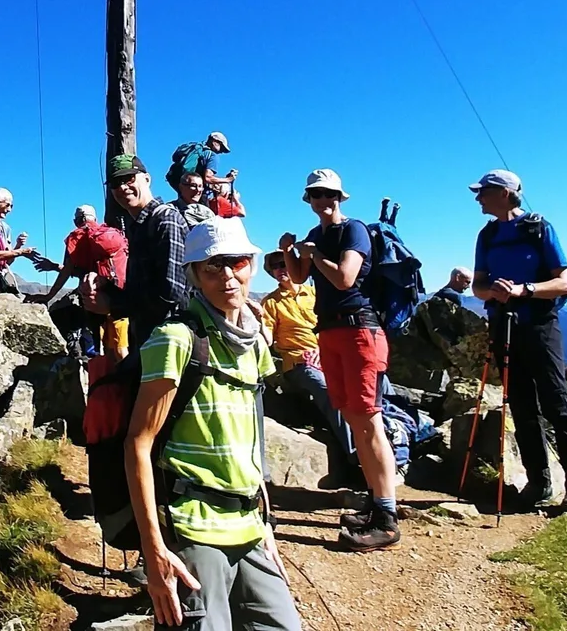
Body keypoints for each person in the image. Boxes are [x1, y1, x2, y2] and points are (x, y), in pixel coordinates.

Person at [126, 216, 300, 631]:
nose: (227, 275)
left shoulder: (255, 341)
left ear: (251, 265)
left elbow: (251, 440)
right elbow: (138, 443)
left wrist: (266, 524)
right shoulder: (176, 338)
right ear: (194, 275)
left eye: (236, 262)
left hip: (248, 524)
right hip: (192, 524)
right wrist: (154, 555)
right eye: (212, 266)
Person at [279, 169, 400, 550]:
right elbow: (300, 278)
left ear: (339, 197)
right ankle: (376, 503)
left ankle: (387, 515)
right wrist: (290, 253)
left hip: (359, 330)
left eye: (328, 194)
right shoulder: (316, 235)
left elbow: (345, 278)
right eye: (316, 195)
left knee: (368, 420)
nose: (322, 200)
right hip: (330, 331)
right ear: (309, 199)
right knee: (354, 417)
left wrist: (315, 256)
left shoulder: (355, 231)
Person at [469, 169, 567, 512]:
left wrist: (524, 290)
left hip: (539, 325)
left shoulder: (538, 228)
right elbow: (477, 286)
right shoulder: (487, 235)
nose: (478, 197)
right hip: (504, 326)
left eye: (484, 192)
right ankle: (538, 482)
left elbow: (564, 283)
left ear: (505, 193)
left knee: (557, 403)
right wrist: (491, 291)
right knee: (521, 406)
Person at [254, 250, 355, 482]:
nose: (280, 269)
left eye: (284, 264)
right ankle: (357, 458)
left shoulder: (315, 293)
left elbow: (334, 323)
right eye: (275, 267)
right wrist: (259, 320)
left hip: (330, 355)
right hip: (298, 364)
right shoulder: (270, 303)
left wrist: (324, 351)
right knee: (331, 393)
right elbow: (268, 340)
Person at [93, 155, 191, 332]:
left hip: (168, 340)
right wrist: (104, 286)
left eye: (128, 178)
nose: (122, 187)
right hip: (148, 340)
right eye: (115, 183)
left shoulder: (165, 221)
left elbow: (172, 295)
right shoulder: (138, 227)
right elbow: (141, 290)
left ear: (147, 179)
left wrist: (113, 305)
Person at [36, 205, 130, 360]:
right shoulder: (110, 234)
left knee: (99, 348)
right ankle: (126, 378)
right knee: (121, 345)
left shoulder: (77, 237)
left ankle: (105, 379)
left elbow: (68, 270)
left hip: (92, 300)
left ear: (77, 220)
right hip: (118, 296)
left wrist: (48, 296)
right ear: (95, 218)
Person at [164, 131, 238, 200]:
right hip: (196, 190)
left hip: (180, 183)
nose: (221, 152)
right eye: (222, 148)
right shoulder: (212, 156)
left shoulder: (195, 149)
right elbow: (208, 178)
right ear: (215, 142)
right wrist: (228, 179)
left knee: (183, 206)